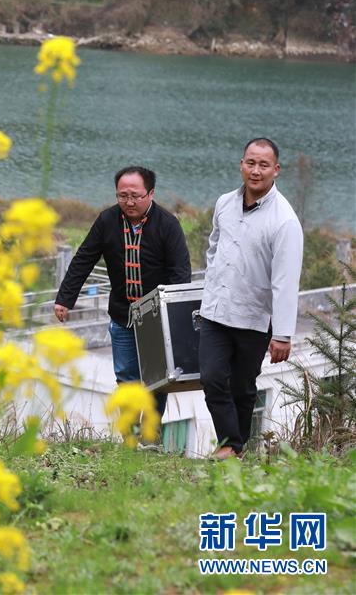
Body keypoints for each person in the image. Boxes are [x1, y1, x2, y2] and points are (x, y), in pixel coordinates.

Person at [53, 166, 192, 417]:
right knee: (126, 378)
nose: (129, 202)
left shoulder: (168, 224)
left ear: (150, 193)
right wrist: (65, 298)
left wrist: (175, 317)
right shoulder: (107, 220)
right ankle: (130, 432)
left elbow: (180, 273)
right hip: (122, 314)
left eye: (135, 196)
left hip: (156, 319)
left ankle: (150, 433)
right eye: (122, 196)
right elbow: (84, 258)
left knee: (156, 380)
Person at [199, 137, 303, 460]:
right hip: (215, 311)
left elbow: (286, 281)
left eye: (263, 165)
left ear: (276, 170)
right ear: (241, 165)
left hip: (254, 317)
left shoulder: (285, 221)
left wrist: (282, 334)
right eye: (251, 163)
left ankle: (235, 451)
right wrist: (212, 283)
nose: (256, 171)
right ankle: (231, 444)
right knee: (212, 378)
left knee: (243, 388)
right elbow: (213, 248)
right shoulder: (224, 203)